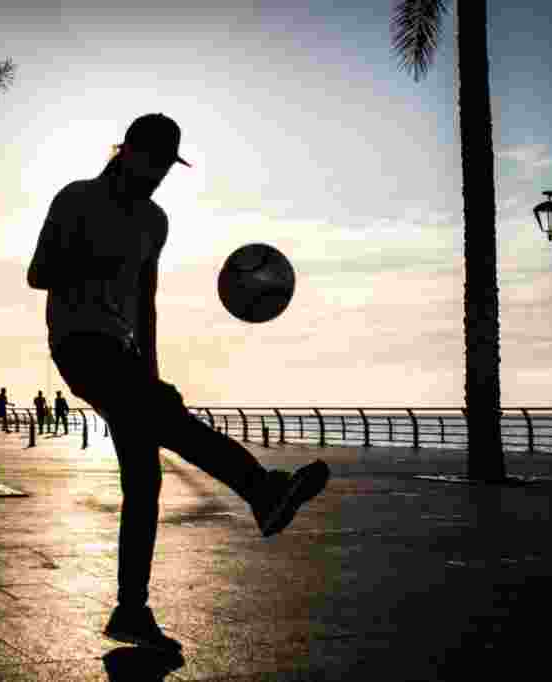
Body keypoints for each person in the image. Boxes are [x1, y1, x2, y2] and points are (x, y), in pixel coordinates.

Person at [26, 113, 329, 652]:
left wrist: (151, 372)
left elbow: (147, 302)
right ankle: (261, 492)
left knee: (145, 480)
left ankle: (130, 610)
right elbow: (39, 272)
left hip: (123, 353)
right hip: (77, 343)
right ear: (129, 152)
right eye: (157, 160)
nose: (163, 172)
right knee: (173, 425)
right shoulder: (76, 199)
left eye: (170, 164)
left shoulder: (155, 222)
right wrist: (92, 260)